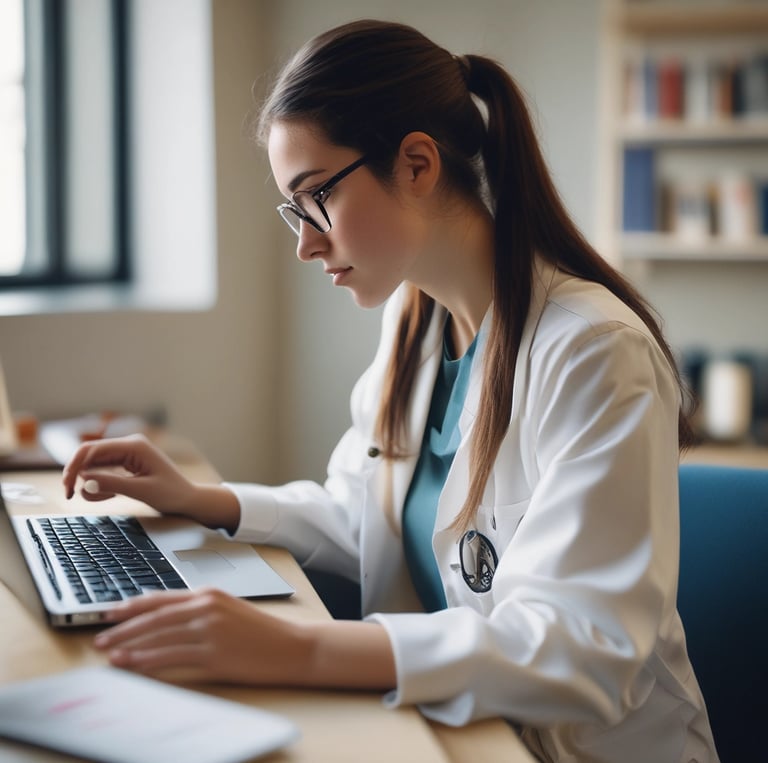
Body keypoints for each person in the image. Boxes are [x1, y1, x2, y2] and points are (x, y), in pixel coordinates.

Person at [62, 19, 719, 763]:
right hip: (452, 732)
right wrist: (209, 501)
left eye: (317, 199)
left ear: (415, 163)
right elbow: (365, 511)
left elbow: (583, 646)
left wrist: (300, 648)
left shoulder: (595, 352)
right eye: (294, 209)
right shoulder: (417, 319)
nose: (306, 242)